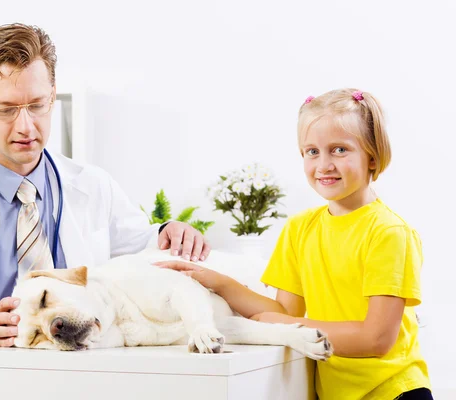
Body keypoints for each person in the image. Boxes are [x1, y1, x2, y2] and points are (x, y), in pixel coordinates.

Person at [0, 23, 210, 400]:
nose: (26, 126)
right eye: (6, 110)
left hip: (76, 386)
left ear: (53, 96)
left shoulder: (92, 186)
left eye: (37, 105)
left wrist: (170, 231)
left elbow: (142, 258)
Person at [158, 89, 432, 400]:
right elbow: (282, 310)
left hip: (394, 392)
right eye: (312, 151)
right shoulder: (299, 228)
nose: (324, 164)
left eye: (339, 149)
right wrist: (218, 281)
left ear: (373, 156)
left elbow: (376, 339)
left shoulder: (388, 232)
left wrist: (287, 325)